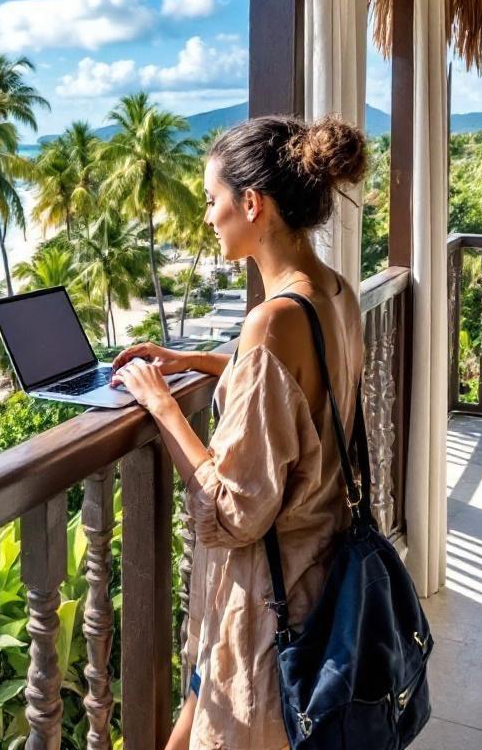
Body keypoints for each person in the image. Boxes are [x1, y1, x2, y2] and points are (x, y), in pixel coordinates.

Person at [111, 114, 367, 750]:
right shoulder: (336, 292)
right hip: (323, 566)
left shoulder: (272, 320)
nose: (207, 218)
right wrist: (199, 362)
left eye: (211, 201)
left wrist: (162, 405)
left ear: (251, 204)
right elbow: (305, 393)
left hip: (271, 601)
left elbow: (237, 509)